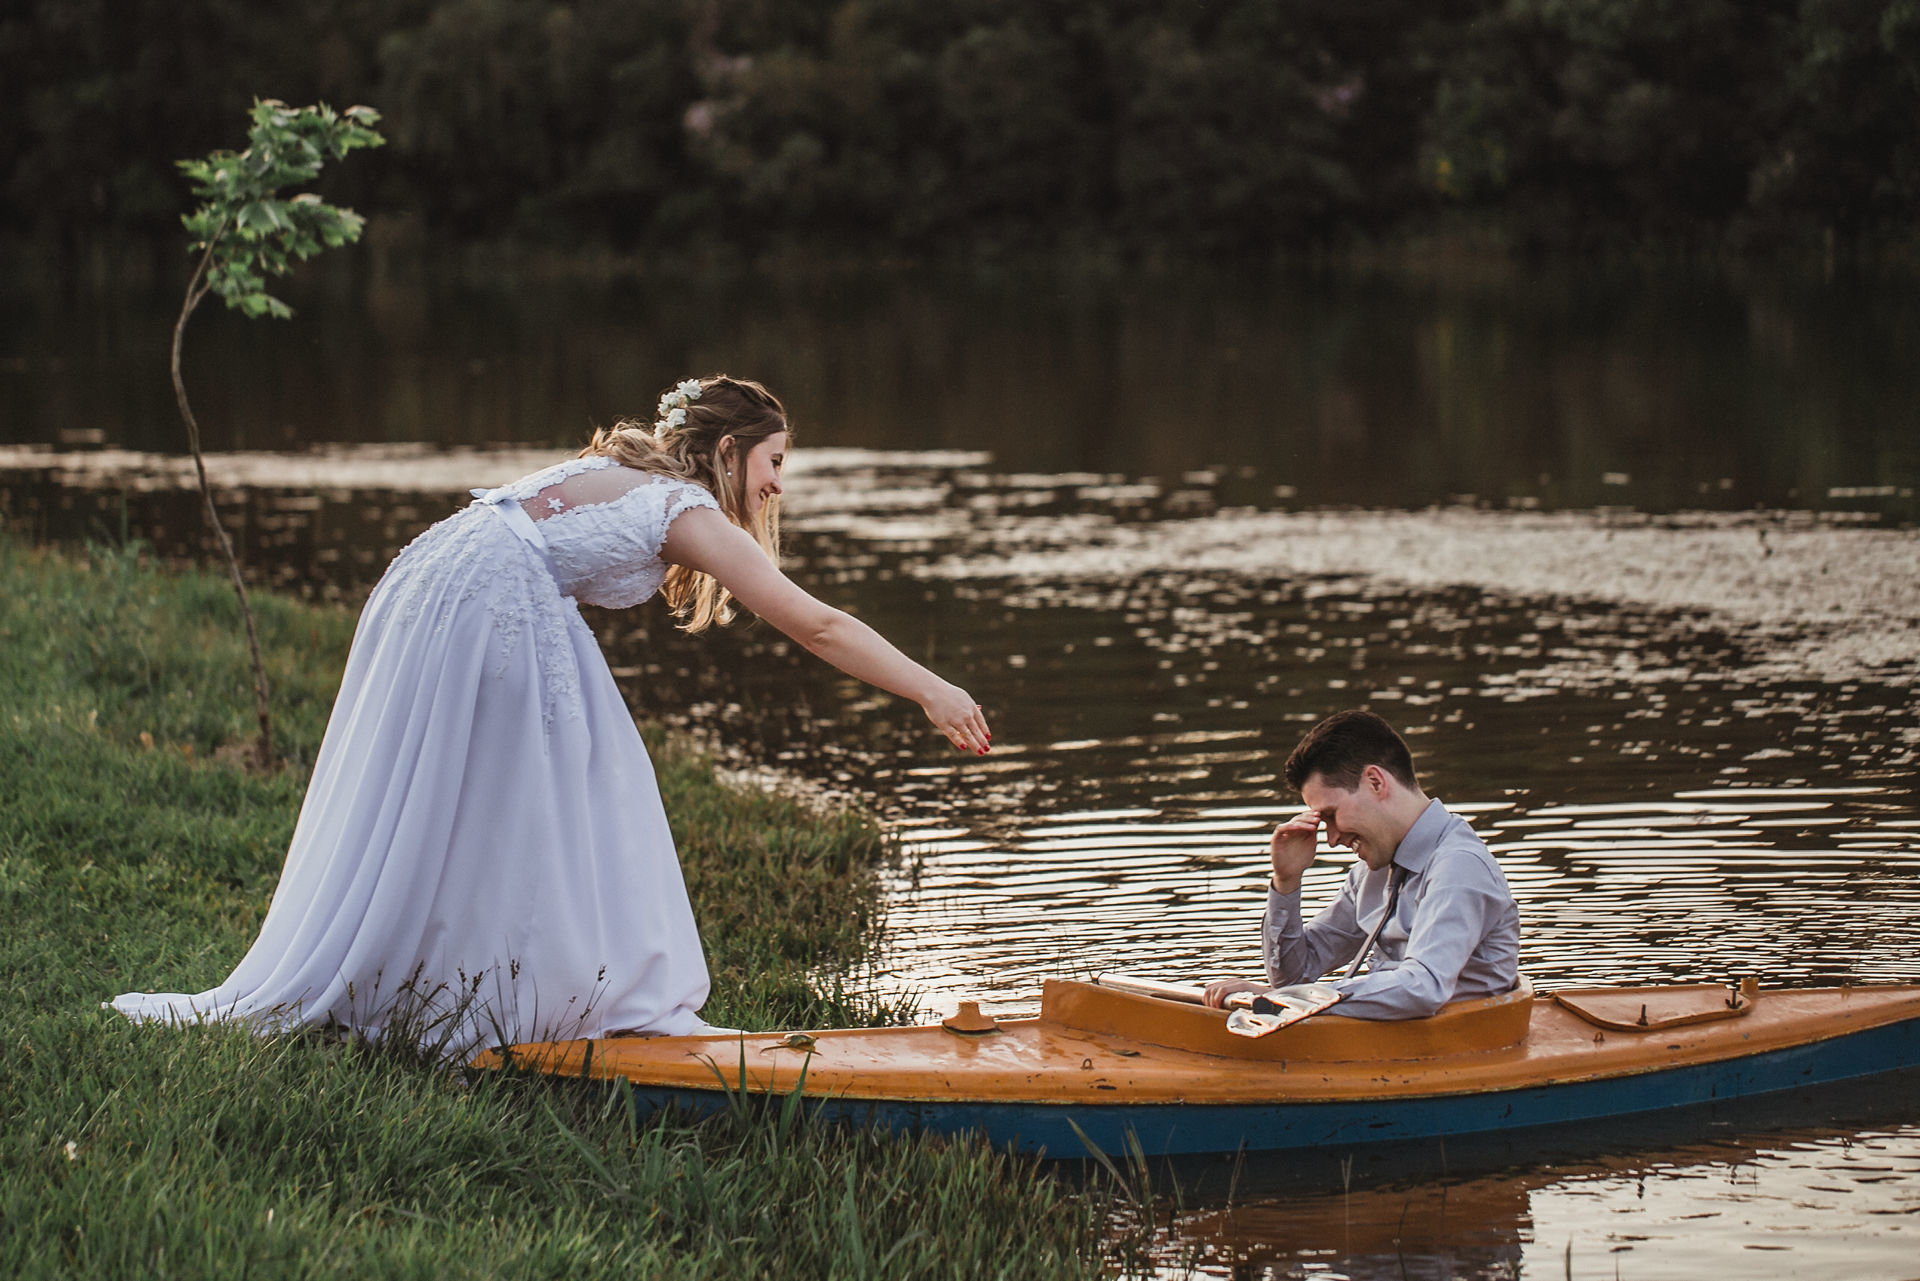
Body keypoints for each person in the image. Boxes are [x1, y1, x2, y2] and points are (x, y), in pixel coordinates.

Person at [112, 375, 991, 1054]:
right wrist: (931, 688)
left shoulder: (628, 468)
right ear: (729, 450)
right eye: (774, 464)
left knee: (522, 788)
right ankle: (545, 998)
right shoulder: (680, 503)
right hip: (489, 591)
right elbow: (817, 623)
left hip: (434, 573)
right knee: (589, 783)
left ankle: (442, 981)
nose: (776, 488)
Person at [1203, 709, 1517, 1019]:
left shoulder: (1459, 867)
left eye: (1330, 815)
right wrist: (1286, 881)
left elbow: (1422, 988)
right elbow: (1295, 975)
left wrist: (1290, 1000)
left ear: (1375, 782)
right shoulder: (1371, 873)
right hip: (1387, 1048)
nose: (1331, 838)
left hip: (1460, 1049)